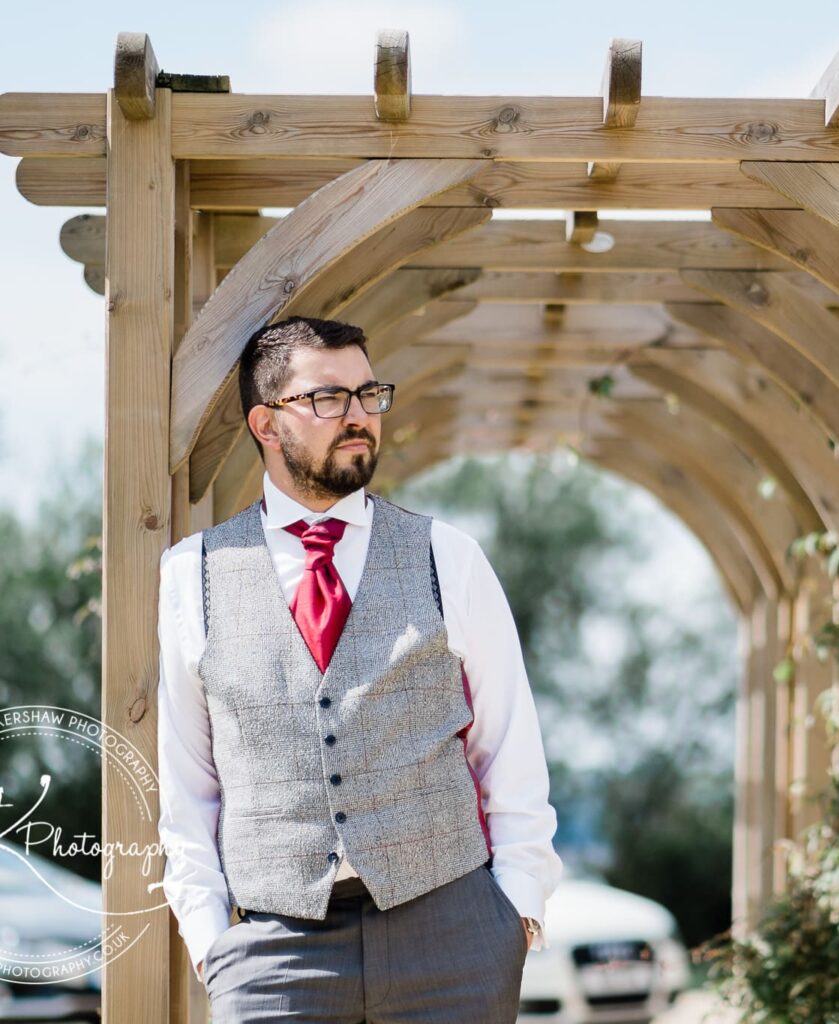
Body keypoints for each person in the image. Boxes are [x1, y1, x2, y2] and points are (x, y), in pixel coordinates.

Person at [155, 315, 562, 1022]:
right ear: (264, 421)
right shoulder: (193, 574)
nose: (358, 417)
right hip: (272, 949)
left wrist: (518, 909)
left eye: (368, 394)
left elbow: (509, 746)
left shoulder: (449, 556)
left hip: (453, 938)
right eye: (327, 398)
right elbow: (188, 785)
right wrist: (209, 937)